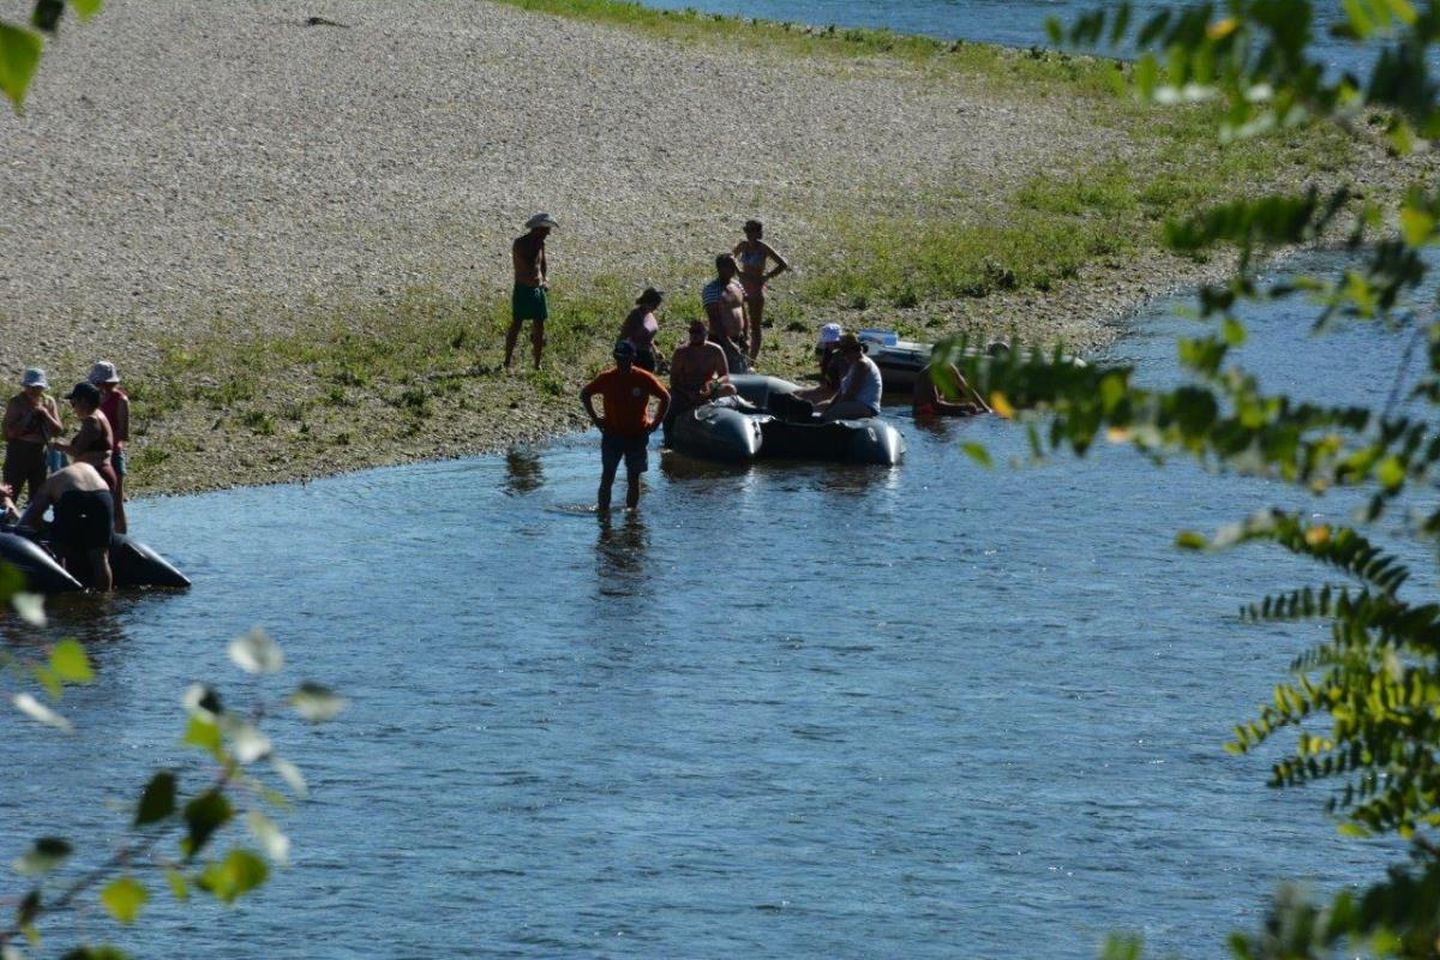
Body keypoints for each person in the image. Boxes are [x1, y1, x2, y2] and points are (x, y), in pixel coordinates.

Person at [580, 341, 670, 513]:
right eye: (618, 358)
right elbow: (585, 393)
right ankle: (603, 515)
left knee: (633, 478)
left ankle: (631, 516)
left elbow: (665, 397)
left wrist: (656, 423)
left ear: (633, 358)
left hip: (637, 435)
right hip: (612, 434)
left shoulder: (644, 378)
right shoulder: (606, 377)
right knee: (607, 477)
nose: (621, 362)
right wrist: (595, 418)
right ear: (615, 357)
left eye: (626, 358)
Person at [18, 461, 114, 591]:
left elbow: (28, 520)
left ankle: (64, 595)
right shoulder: (87, 468)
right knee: (100, 557)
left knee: (59, 551)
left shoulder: (50, 483)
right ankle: (104, 598)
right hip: (102, 495)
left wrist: (49, 529)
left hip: (72, 496)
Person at [505, 212, 557, 370]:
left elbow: (543, 264)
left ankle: (537, 363)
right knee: (517, 323)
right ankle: (507, 360)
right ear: (538, 229)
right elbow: (526, 266)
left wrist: (544, 280)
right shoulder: (520, 244)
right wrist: (536, 281)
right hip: (523, 288)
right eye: (546, 229)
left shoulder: (540, 243)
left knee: (539, 325)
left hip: (537, 288)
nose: (549, 233)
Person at [3, 368, 63, 505]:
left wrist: (46, 415)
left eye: (36, 387)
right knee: (11, 491)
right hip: (19, 452)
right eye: (29, 387)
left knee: (38, 494)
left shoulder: (48, 402)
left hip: (40, 452)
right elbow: (8, 433)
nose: (32, 390)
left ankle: (34, 523)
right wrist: (29, 416)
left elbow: (58, 430)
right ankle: (5, 520)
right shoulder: (16, 402)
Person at [667, 319, 736, 433]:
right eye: (692, 331)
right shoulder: (681, 352)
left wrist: (713, 384)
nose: (694, 335)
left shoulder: (715, 350)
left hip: (707, 389)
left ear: (706, 333)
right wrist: (687, 393)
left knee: (730, 389)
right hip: (686, 391)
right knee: (670, 397)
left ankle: (727, 423)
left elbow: (724, 375)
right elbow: (674, 380)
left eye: (698, 332)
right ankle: (669, 433)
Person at [50, 381, 118, 493]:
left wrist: (57, 445)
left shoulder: (91, 420)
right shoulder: (100, 415)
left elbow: (78, 451)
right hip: (99, 475)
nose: (73, 408)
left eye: (73, 403)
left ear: (84, 401)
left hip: (96, 476)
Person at [732, 219, 790, 347]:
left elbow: (783, 264)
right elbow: (730, 257)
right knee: (740, 318)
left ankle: (753, 357)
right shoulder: (743, 245)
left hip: (756, 288)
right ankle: (744, 343)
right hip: (742, 285)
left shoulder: (763, 248)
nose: (748, 233)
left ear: (758, 232)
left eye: (751, 230)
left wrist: (767, 276)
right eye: (746, 230)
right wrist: (738, 271)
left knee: (755, 324)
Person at [89, 360, 130, 533]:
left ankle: (121, 539)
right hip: (94, 453)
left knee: (116, 501)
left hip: (113, 453)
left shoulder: (120, 400)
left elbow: (123, 432)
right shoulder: (94, 398)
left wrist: (105, 442)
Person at [702, 253, 751, 374]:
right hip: (720, 340)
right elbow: (714, 319)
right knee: (722, 375)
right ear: (720, 268)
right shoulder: (711, 289)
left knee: (740, 373)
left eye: (734, 264)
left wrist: (746, 335)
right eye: (730, 265)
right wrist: (727, 343)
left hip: (738, 339)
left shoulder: (737, 285)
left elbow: (743, 311)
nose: (734, 268)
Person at [817, 334, 883, 421]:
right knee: (820, 407)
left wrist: (832, 409)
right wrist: (829, 405)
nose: (843, 356)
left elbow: (851, 393)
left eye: (844, 352)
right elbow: (841, 392)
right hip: (855, 403)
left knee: (831, 414)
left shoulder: (862, 364)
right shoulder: (854, 364)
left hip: (866, 406)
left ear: (853, 350)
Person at [913, 361, 991, 418]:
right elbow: (935, 405)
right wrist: (964, 406)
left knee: (972, 417)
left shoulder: (949, 366)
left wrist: (986, 409)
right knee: (965, 416)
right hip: (924, 412)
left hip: (938, 410)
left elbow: (967, 389)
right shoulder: (928, 374)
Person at [618, 287, 664, 372]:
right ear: (646, 302)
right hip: (636, 356)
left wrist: (656, 350)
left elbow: (648, 337)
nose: (656, 308)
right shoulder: (635, 315)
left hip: (647, 354)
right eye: (654, 304)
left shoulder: (649, 315)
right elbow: (624, 336)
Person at [800, 322, 847, 402]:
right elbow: (825, 372)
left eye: (834, 342)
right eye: (829, 342)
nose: (831, 344)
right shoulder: (827, 353)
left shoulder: (846, 354)